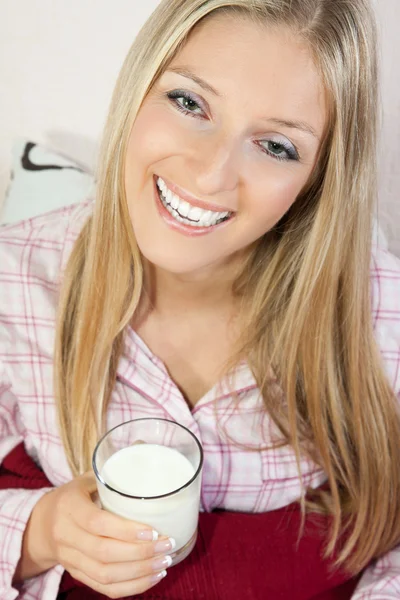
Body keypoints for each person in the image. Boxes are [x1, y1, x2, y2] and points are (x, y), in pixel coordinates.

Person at [1, 0, 400, 598]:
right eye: (190, 103)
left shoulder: (381, 315)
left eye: (276, 146)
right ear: (139, 88)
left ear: (318, 179)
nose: (211, 174)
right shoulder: (15, 277)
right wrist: (38, 534)